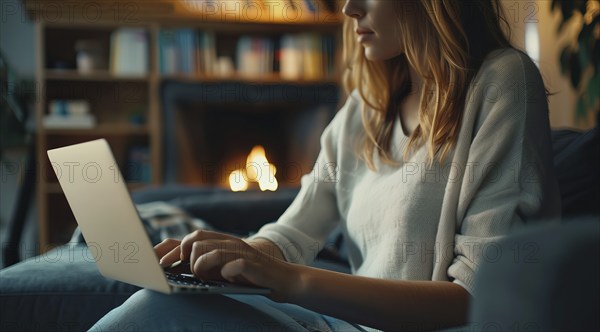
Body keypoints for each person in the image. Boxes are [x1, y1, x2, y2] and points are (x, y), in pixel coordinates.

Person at [91, 0, 560, 331]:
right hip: (338, 322)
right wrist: (232, 260)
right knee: (157, 302)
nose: (350, 7)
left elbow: (479, 295)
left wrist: (288, 280)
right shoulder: (365, 109)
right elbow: (293, 233)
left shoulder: (503, 83)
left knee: (159, 318)